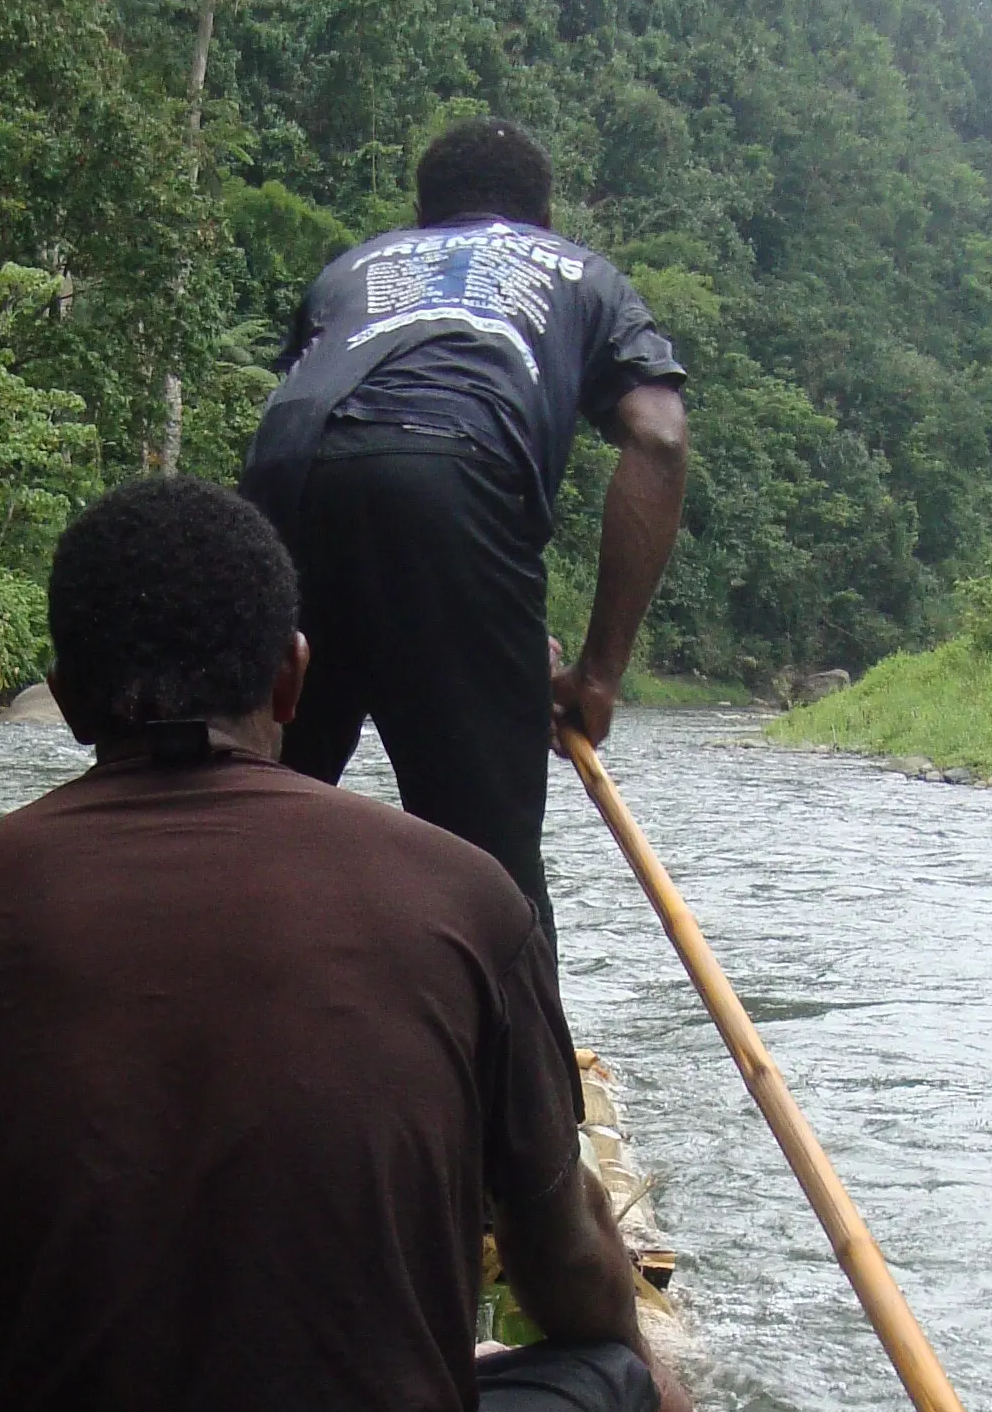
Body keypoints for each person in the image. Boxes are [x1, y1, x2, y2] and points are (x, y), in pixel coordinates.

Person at [0, 474, 702, 1412]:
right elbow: (564, 1261)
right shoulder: (465, 898)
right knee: (609, 1373)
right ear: (292, 679)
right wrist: (546, 1360)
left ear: (66, 697)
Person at [241, 116, 689, 937]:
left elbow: (347, 456)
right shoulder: (582, 274)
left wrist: (502, 643)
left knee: (256, 815)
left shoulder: (351, 268)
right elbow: (658, 437)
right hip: (446, 476)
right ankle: (522, 1061)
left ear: (424, 217)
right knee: (486, 877)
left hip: (280, 483)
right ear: (540, 218)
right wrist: (596, 675)